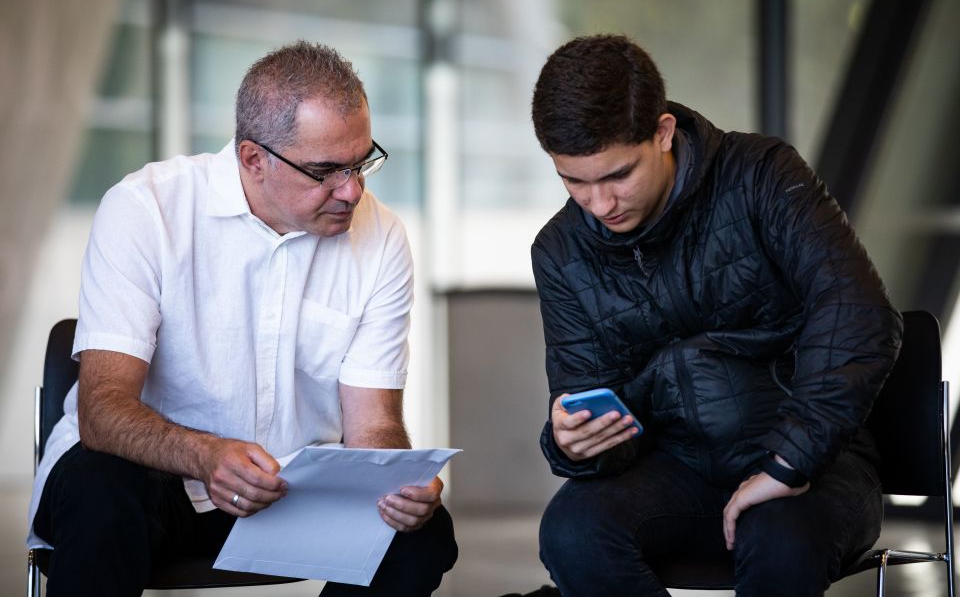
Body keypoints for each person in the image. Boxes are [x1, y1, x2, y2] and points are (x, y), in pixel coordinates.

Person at [27, 41, 457, 597]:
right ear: (253, 159)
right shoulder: (145, 210)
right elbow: (102, 413)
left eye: (361, 162)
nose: (352, 191)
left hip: (287, 490)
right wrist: (206, 456)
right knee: (102, 493)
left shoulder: (382, 236)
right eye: (326, 171)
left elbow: (372, 426)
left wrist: (399, 480)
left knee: (420, 533)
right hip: (150, 481)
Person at [529, 34, 902, 597]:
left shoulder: (762, 175)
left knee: (777, 533)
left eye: (618, 176)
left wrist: (786, 466)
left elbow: (862, 316)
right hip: (678, 471)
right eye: (573, 181)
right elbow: (592, 400)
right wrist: (572, 443)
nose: (600, 205)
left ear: (662, 132)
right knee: (572, 531)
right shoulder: (559, 251)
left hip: (815, 462)